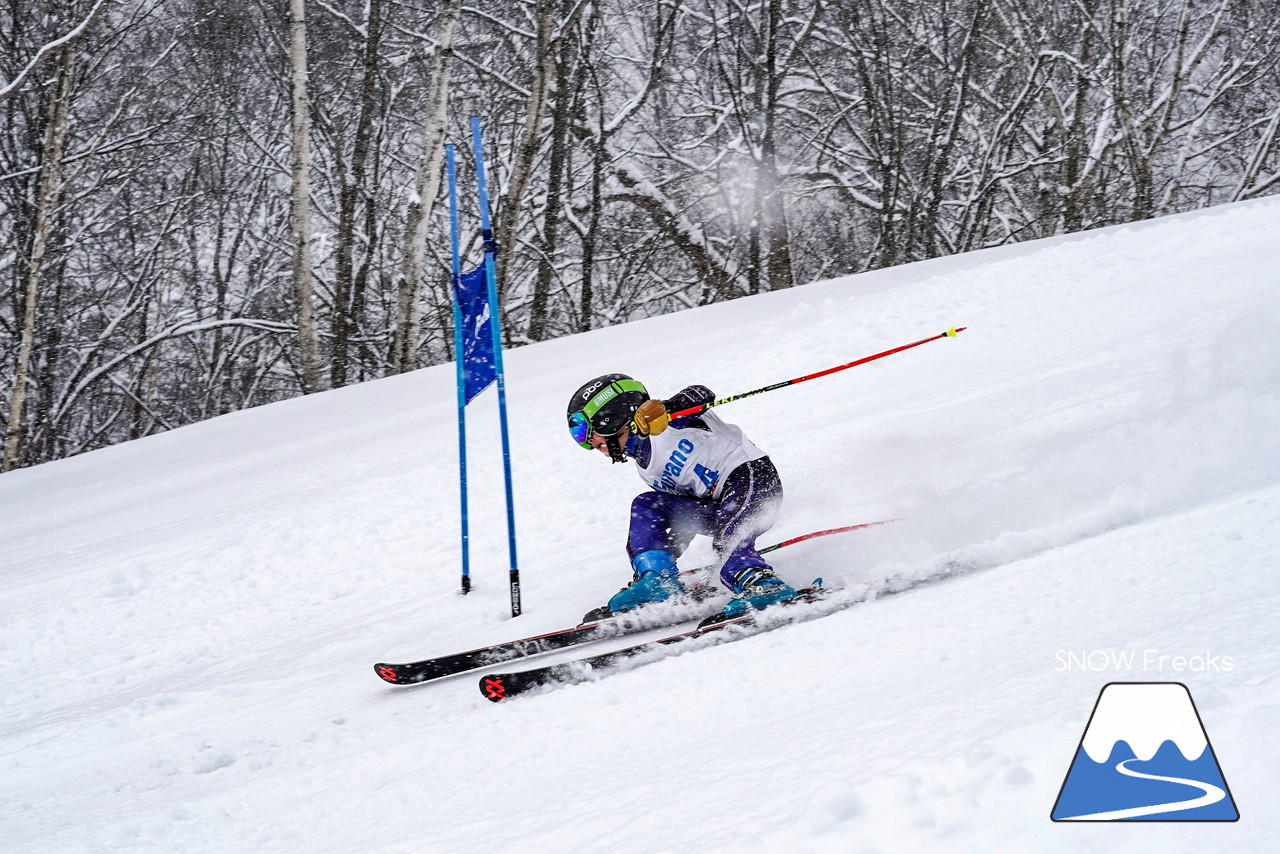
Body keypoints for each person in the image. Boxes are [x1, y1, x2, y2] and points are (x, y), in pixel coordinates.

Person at [566, 373, 798, 618]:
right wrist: (666, 557)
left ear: (610, 418)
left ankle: (762, 585)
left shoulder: (670, 421)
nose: (588, 442)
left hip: (751, 481)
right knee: (646, 505)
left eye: (584, 431)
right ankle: (658, 582)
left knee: (728, 540)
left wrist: (669, 409)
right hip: (717, 509)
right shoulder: (647, 469)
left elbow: (700, 394)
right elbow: (683, 520)